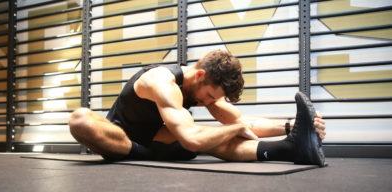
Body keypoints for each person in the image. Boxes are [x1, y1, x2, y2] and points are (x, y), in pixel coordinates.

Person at [69, 50, 326, 166]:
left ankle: (293, 147)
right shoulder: (161, 82)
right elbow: (192, 140)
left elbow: (241, 120)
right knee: (80, 119)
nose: (209, 103)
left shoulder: (205, 90)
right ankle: (292, 145)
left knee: (214, 134)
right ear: (200, 74)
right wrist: (234, 127)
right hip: (121, 138)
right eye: (210, 97)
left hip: (158, 141)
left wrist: (295, 126)